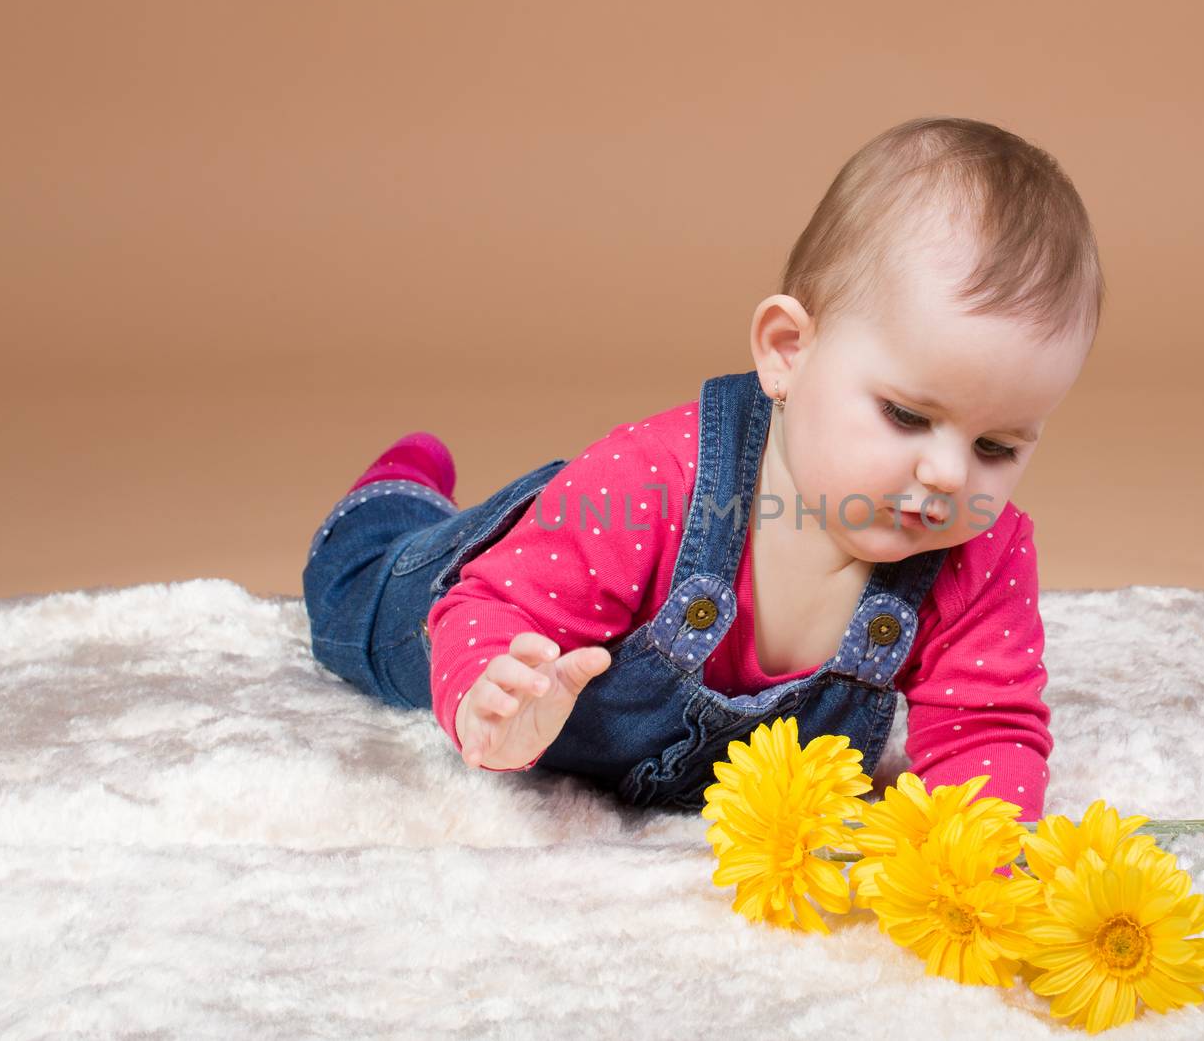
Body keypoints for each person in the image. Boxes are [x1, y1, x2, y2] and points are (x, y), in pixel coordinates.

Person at [301, 116, 1103, 821]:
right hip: (485, 587)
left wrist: (982, 862)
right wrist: (494, 693)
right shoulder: (653, 481)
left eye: (997, 447)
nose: (947, 474)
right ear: (789, 353)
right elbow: (494, 601)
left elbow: (988, 728)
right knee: (357, 600)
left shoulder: (982, 557)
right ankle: (392, 496)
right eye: (905, 415)